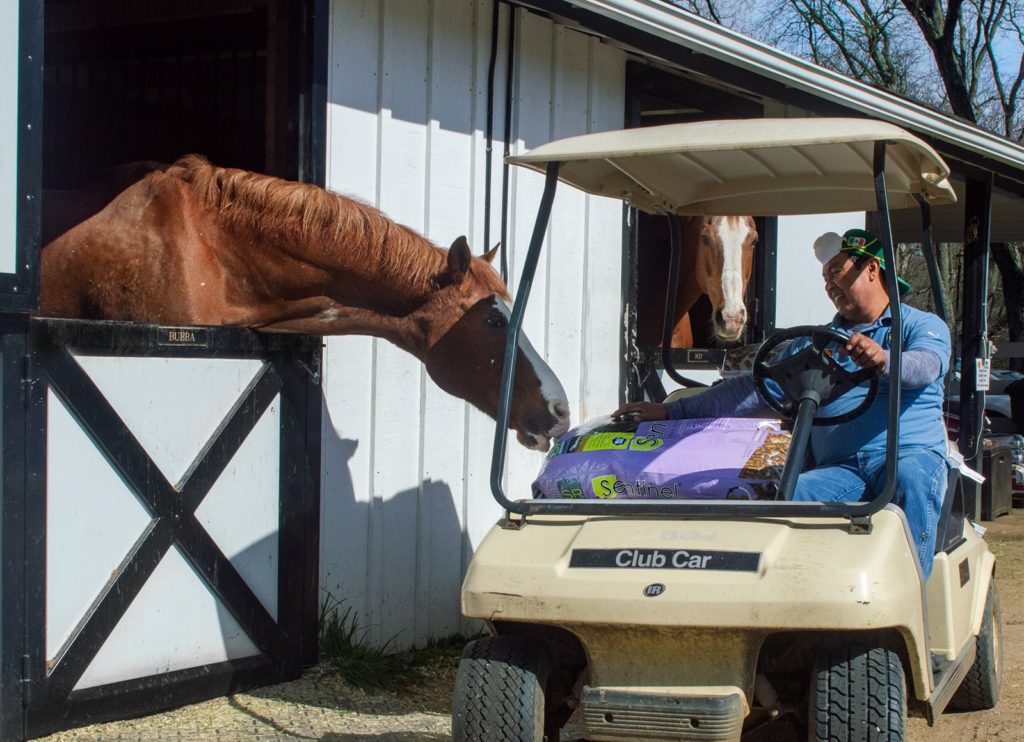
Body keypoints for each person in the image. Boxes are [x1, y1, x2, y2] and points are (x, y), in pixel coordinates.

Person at [613, 228, 951, 579]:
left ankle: (913, 596)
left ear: (871, 269)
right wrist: (672, 411)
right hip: (844, 469)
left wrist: (884, 360)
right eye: (824, 278)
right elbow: (755, 390)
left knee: (911, 480)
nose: (829, 285)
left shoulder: (920, 325)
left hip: (906, 455)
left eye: (836, 271)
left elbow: (925, 366)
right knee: (790, 494)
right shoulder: (819, 341)